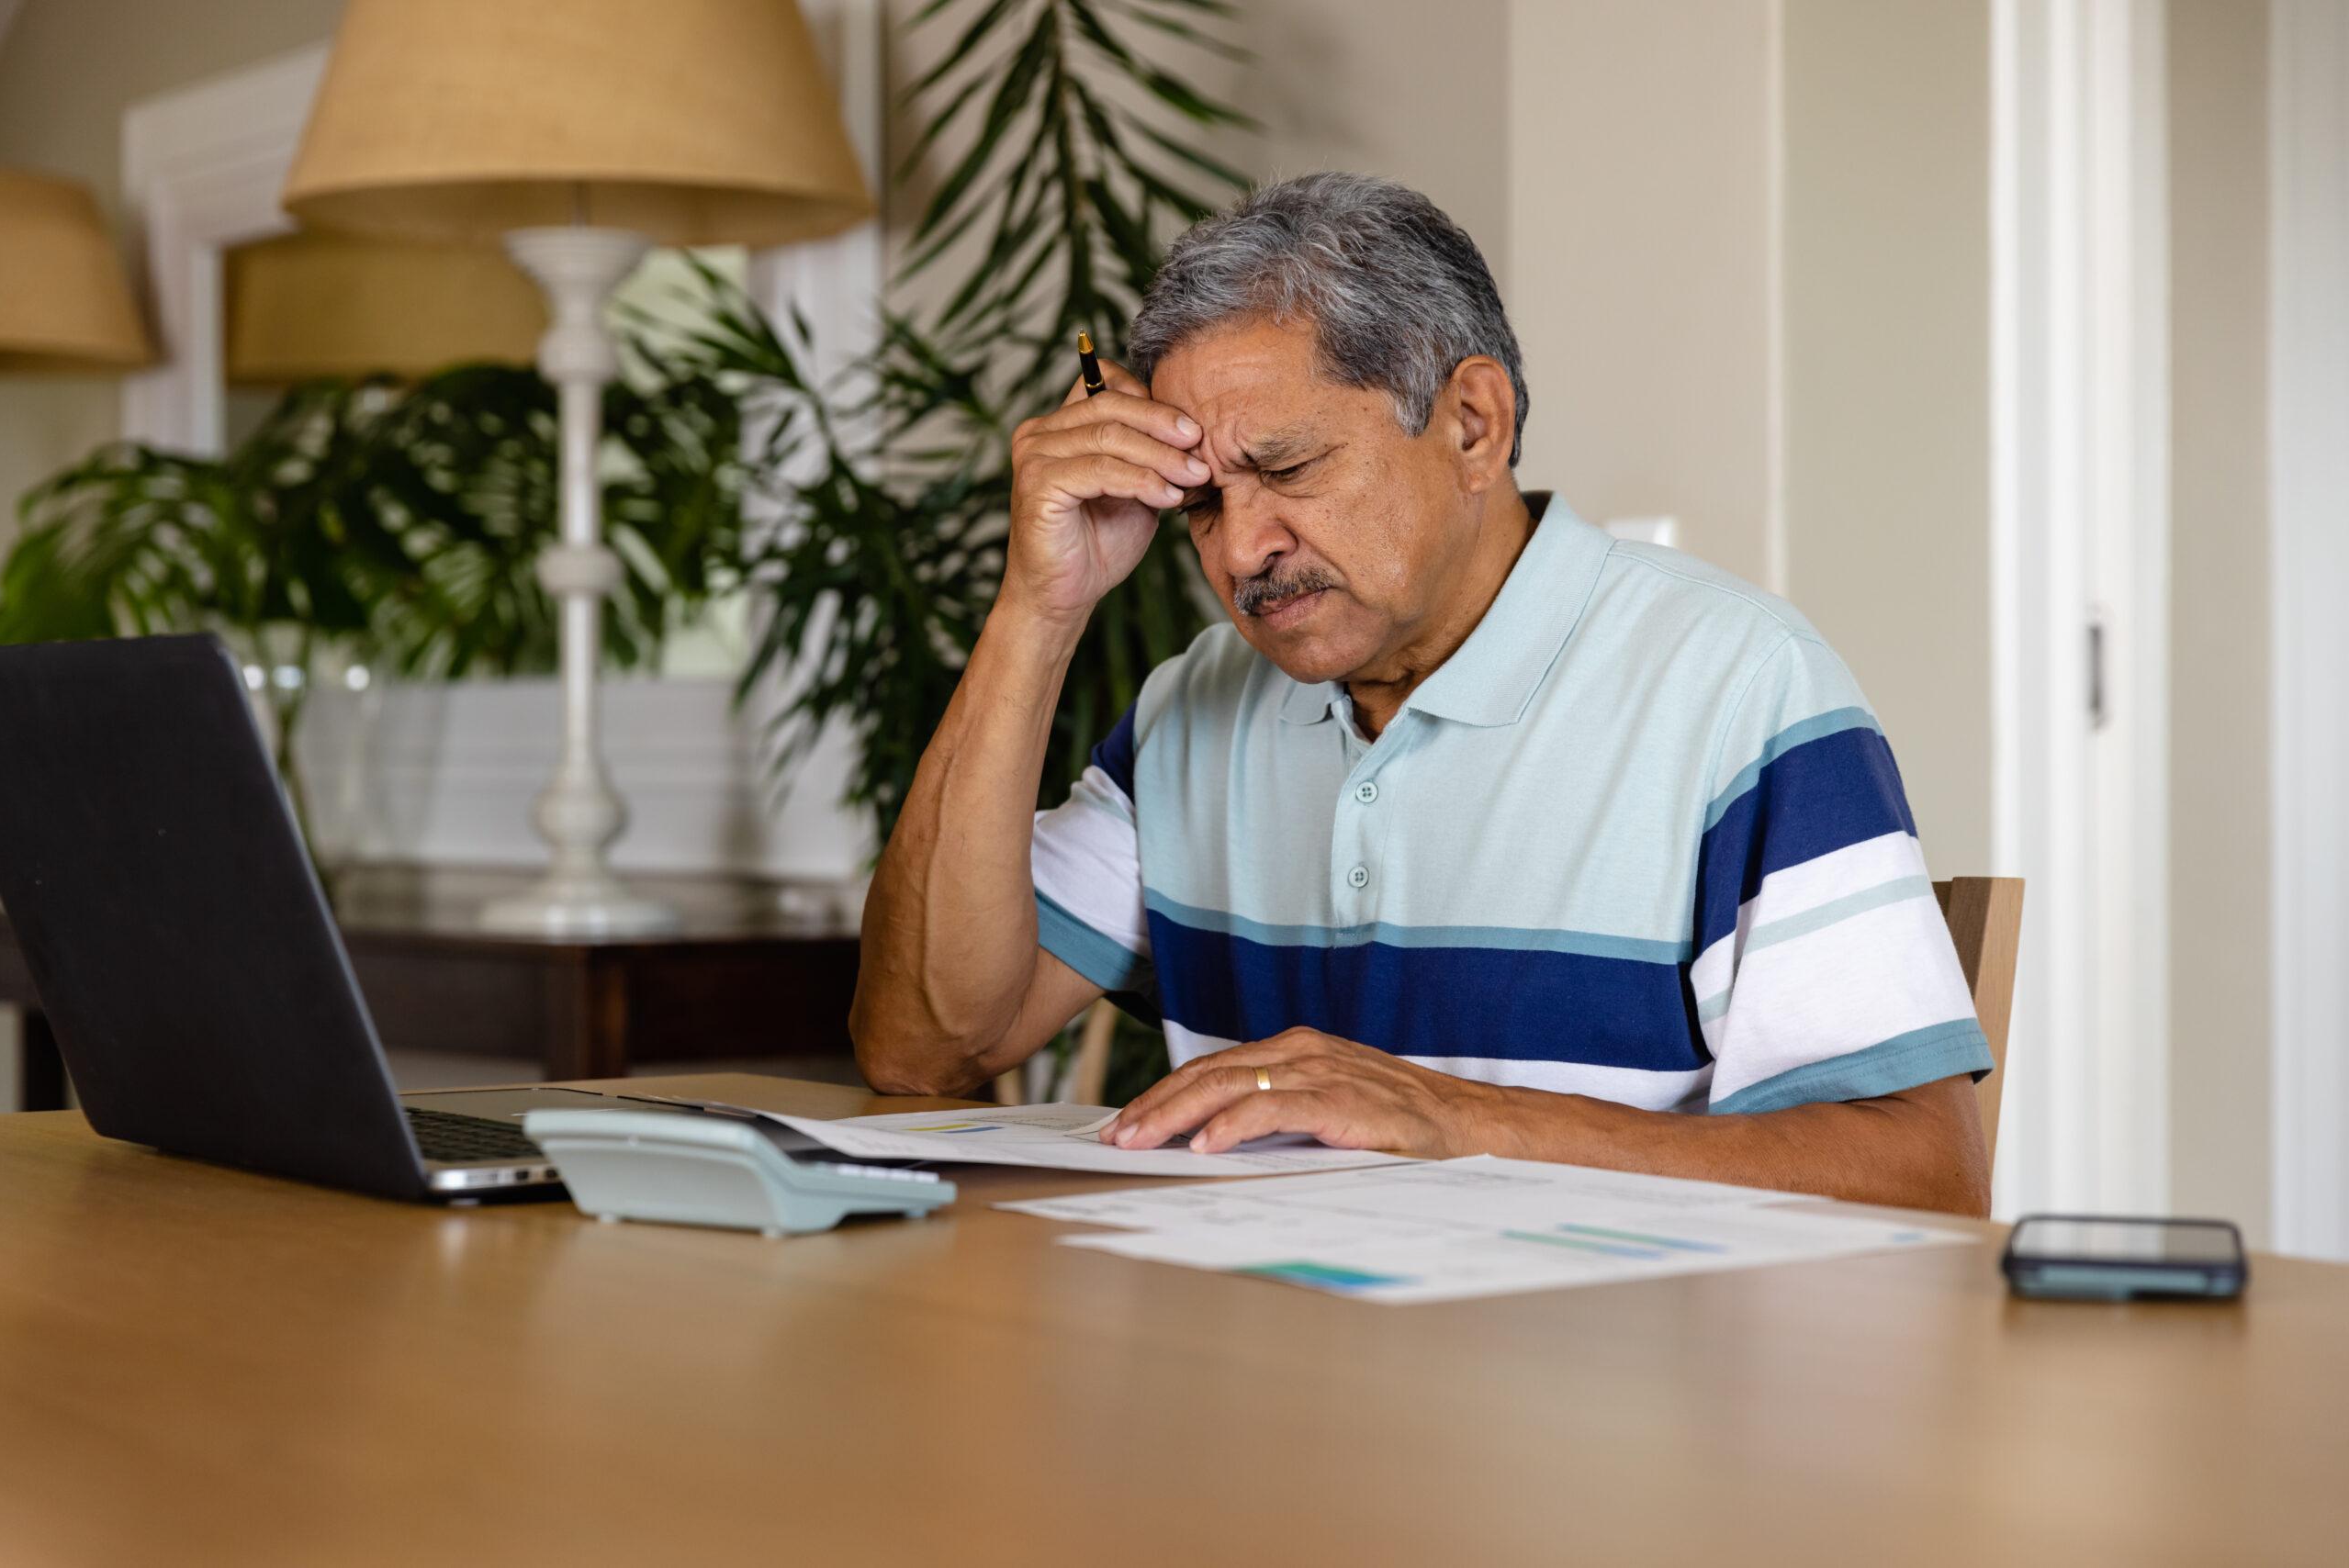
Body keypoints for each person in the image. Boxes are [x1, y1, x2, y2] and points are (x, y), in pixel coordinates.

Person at [850, 173, 1993, 1215]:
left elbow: (1924, 1174)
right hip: (1255, 1379)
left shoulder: (1737, 687)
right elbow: (923, 1046)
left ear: (1471, 424)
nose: (1242, 548)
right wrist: (1035, 611)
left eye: (1288, 470)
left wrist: (1456, 1121)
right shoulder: (1191, 708)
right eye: (1200, 500)